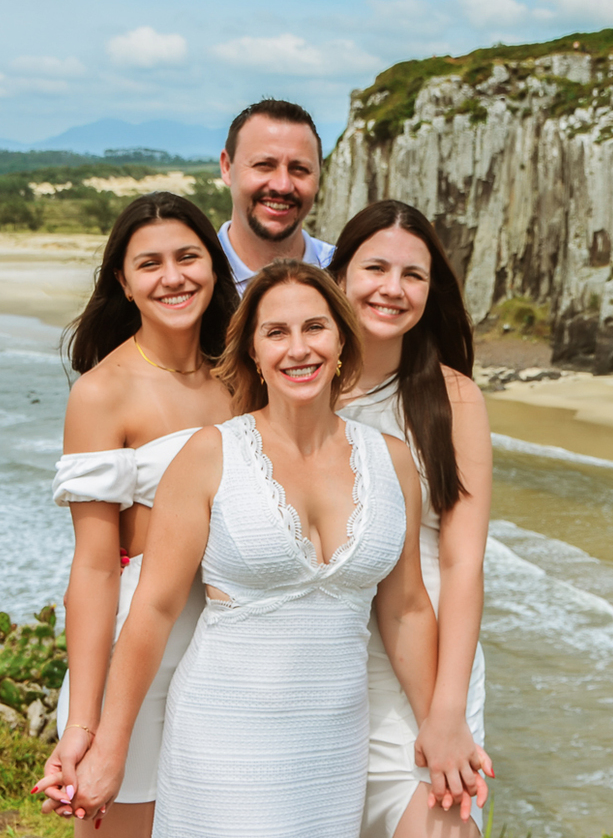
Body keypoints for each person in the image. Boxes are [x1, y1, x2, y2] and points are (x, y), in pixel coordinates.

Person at [52, 261, 446, 837]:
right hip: (222, 740)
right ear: (254, 354)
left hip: (333, 748)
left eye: (315, 327)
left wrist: (441, 725)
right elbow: (153, 611)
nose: (298, 349)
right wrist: (110, 746)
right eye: (276, 332)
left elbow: (406, 608)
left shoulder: (393, 461)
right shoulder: (210, 455)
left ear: (341, 340)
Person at [38, 192, 241, 838]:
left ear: (214, 266)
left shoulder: (244, 377)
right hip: (140, 654)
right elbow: (96, 567)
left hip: (235, 650)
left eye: (188, 257)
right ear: (123, 283)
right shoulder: (103, 392)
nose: (173, 277)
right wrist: (85, 720)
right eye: (149, 264)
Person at [329, 200, 493, 838]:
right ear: (339, 274)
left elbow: (463, 561)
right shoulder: (293, 385)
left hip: (429, 665)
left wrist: (447, 709)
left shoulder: (453, 398)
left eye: (413, 275)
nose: (392, 289)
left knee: (442, 823)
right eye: (375, 268)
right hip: (320, 661)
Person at [218, 99, 335, 291]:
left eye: (299, 169)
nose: (283, 186)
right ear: (226, 167)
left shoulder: (345, 276)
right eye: (264, 165)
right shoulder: (191, 281)